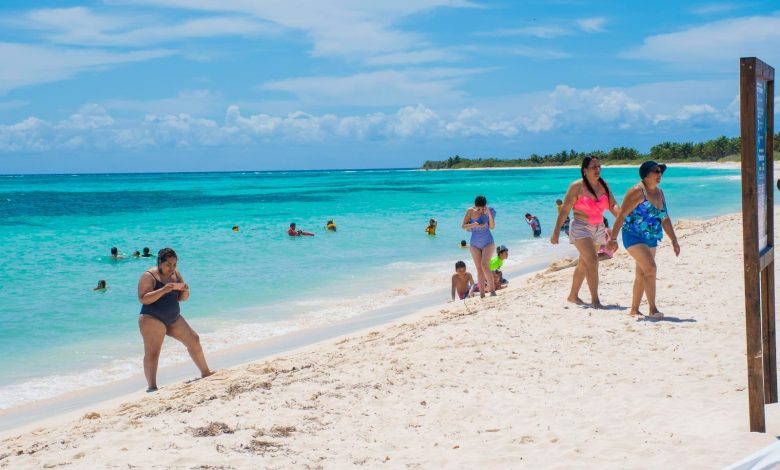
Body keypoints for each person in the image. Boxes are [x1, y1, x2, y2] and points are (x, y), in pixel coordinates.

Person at [608, 161, 680, 319]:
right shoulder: (636, 191)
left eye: (660, 171)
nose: (659, 174)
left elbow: (664, 217)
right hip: (633, 236)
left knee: (642, 273)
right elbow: (621, 215)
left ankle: (634, 310)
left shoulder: (660, 193)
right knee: (651, 268)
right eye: (656, 171)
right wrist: (613, 238)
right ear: (646, 174)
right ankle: (653, 309)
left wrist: (674, 240)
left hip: (652, 237)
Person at [137, 248, 213, 392]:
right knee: (153, 352)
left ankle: (206, 372)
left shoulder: (176, 274)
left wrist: (185, 291)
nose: (172, 268)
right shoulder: (149, 276)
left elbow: (182, 299)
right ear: (160, 262)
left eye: (174, 264)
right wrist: (163, 290)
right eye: (168, 264)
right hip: (152, 318)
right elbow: (143, 298)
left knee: (194, 340)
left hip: (173, 318)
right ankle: (152, 387)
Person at [551, 156, 620, 308]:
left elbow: (613, 204)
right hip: (580, 227)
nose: (597, 170)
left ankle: (572, 296)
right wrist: (556, 232)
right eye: (593, 167)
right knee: (592, 261)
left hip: (598, 228)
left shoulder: (604, 185)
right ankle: (595, 300)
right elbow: (564, 211)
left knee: (584, 263)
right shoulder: (576, 187)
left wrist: (623, 218)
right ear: (585, 170)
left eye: (599, 166)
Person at [462, 195, 496, 298]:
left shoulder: (490, 211)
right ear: (475, 206)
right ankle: (482, 295)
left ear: (485, 206)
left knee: (485, 265)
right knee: (479, 269)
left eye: (482, 208)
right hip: (474, 244)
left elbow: (492, 227)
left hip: (488, 242)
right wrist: (474, 225)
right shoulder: (470, 211)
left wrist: (489, 214)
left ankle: (492, 291)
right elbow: (463, 226)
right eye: (478, 208)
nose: (480, 210)